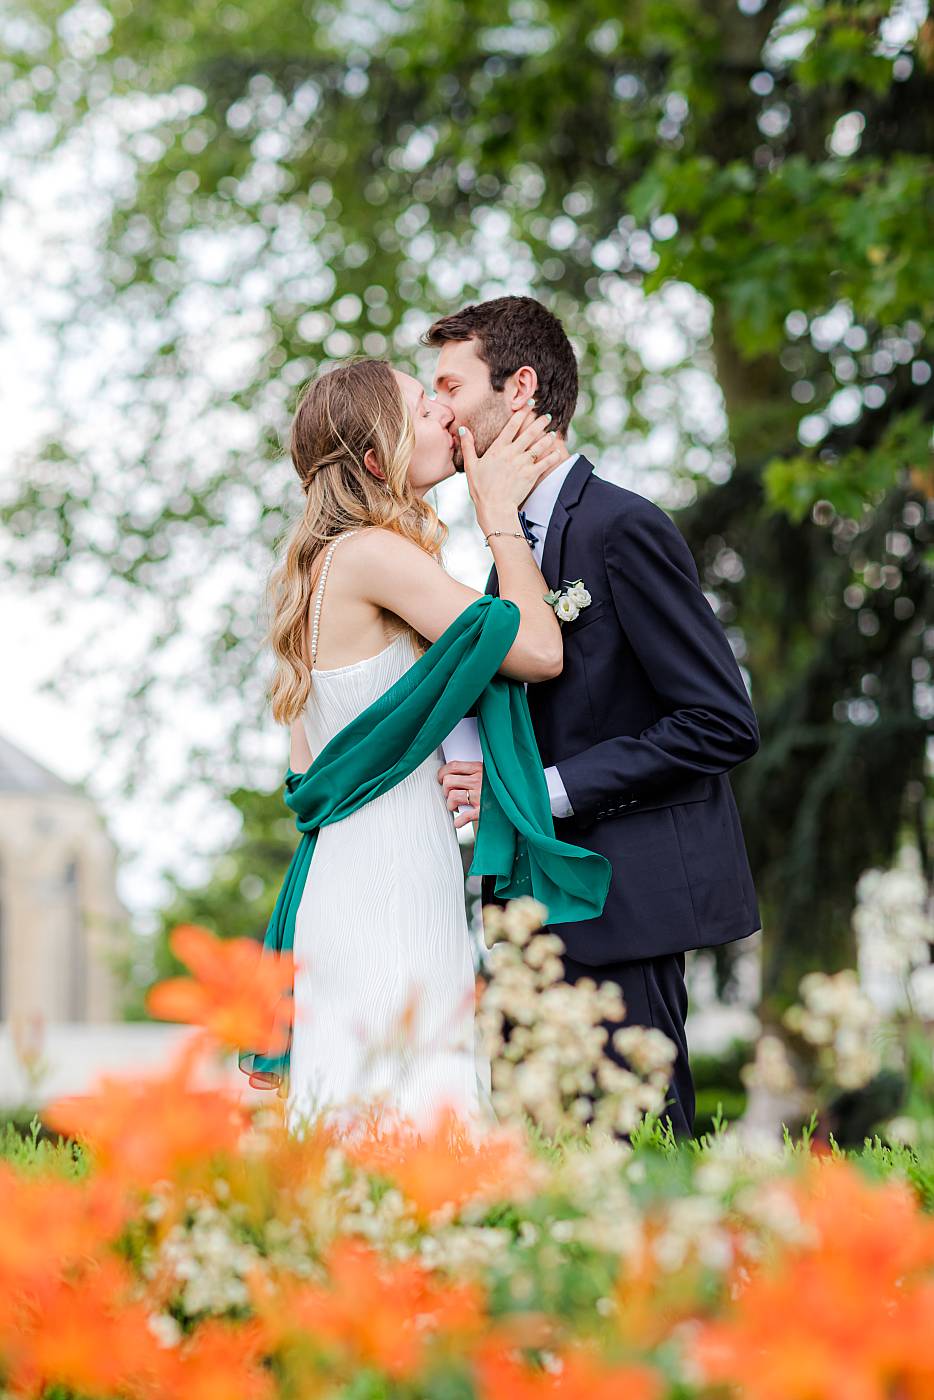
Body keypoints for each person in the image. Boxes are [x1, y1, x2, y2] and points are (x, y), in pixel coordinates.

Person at [429, 296, 762, 1140]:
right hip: (532, 915)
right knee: (546, 1169)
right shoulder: (503, 547)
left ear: (521, 387)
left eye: (450, 386)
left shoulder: (621, 526)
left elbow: (719, 720)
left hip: (624, 904)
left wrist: (544, 792)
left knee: (639, 1155)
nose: (438, 411)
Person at [262, 357, 567, 1133]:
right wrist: (497, 514)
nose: (442, 411)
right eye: (419, 404)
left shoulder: (322, 567)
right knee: (409, 1104)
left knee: (374, 1105)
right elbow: (537, 647)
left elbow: (312, 772)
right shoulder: (372, 554)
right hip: (390, 872)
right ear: (376, 458)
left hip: (358, 862)